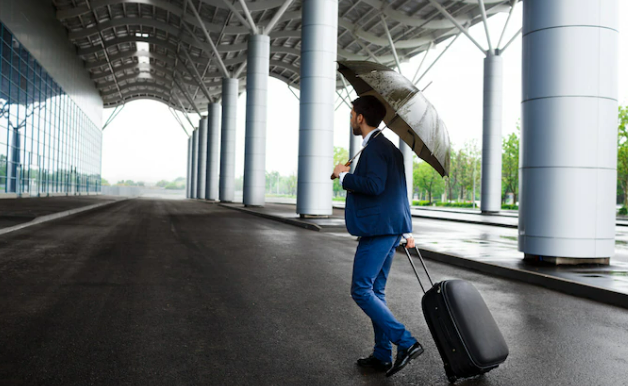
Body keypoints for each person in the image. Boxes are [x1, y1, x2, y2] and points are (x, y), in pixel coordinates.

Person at [332, 95, 423, 377]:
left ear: (360, 117)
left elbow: (374, 185)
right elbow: (398, 191)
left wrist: (344, 176)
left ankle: (405, 342)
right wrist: (405, 228)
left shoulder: (374, 149)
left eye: (351, 114)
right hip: (390, 227)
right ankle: (383, 354)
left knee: (361, 289)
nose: (350, 119)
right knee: (376, 290)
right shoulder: (389, 149)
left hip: (378, 229)